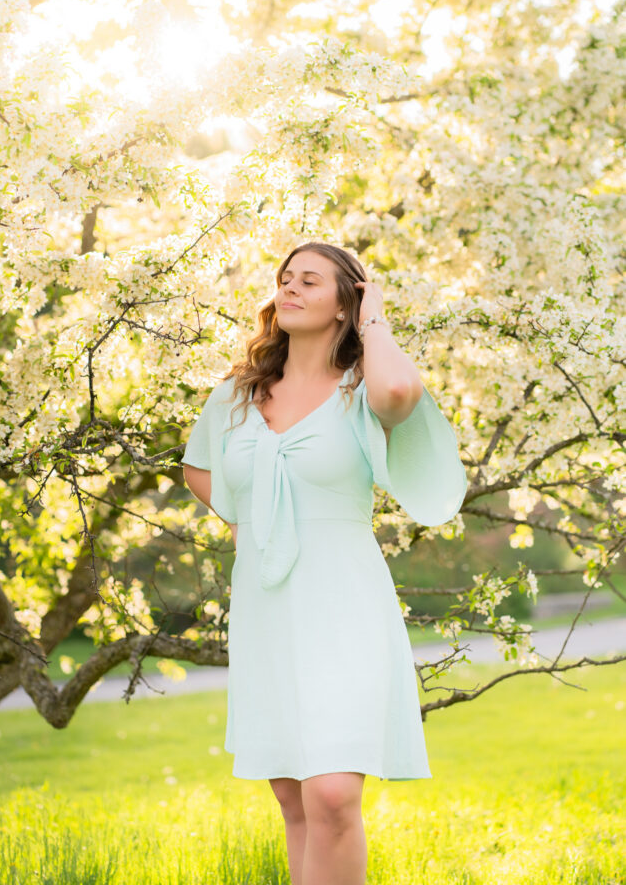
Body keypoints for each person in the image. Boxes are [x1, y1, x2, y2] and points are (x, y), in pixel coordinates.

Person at [182, 241, 467, 885]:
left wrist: (376, 320)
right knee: (294, 798)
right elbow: (199, 467)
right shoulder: (238, 392)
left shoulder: (364, 387)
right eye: (285, 279)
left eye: (310, 281)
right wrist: (252, 520)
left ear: (347, 303)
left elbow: (401, 389)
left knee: (333, 794)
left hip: (344, 603)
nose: (289, 289)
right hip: (267, 604)